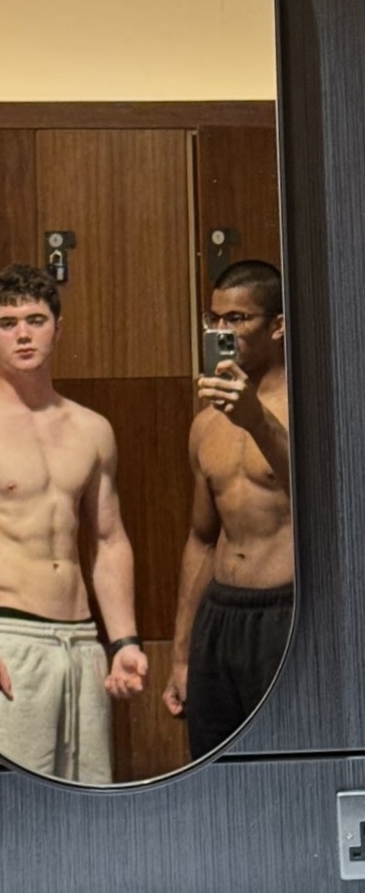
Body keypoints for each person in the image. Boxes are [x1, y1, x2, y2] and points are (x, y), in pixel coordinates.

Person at [0, 263, 147, 784]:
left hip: (81, 642)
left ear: (58, 328)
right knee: (6, 804)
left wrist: (124, 641)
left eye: (35, 320)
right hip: (5, 639)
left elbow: (109, 540)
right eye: (7, 323)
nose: (22, 334)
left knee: (89, 803)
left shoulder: (92, 429)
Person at [162, 259, 291, 760]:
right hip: (219, 616)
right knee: (215, 771)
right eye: (214, 319)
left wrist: (256, 420)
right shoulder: (207, 423)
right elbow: (201, 538)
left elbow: (321, 505)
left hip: (285, 615)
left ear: (277, 326)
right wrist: (181, 654)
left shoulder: (310, 406)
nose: (221, 331)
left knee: (284, 769)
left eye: (237, 319)